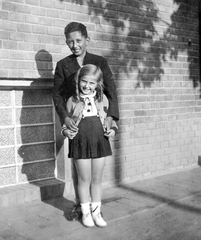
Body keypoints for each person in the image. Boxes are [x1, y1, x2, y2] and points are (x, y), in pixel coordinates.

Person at [53, 21, 119, 220]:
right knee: (79, 168)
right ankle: (80, 205)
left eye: (78, 40)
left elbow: (111, 90)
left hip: (96, 122)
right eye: (70, 42)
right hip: (76, 122)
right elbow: (57, 96)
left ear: (87, 40)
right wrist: (65, 118)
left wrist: (110, 117)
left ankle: (94, 208)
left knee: (95, 172)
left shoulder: (100, 61)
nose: (75, 45)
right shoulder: (63, 65)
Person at [61, 64, 118, 227]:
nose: (87, 86)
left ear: (98, 84)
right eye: (84, 81)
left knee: (97, 179)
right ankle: (85, 213)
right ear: (78, 81)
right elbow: (67, 122)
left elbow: (110, 120)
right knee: (84, 179)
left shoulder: (103, 99)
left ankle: (96, 212)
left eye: (92, 83)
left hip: (99, 140)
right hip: (80, 141)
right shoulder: (72, 100)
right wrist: (66, 132)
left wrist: (112, 130)